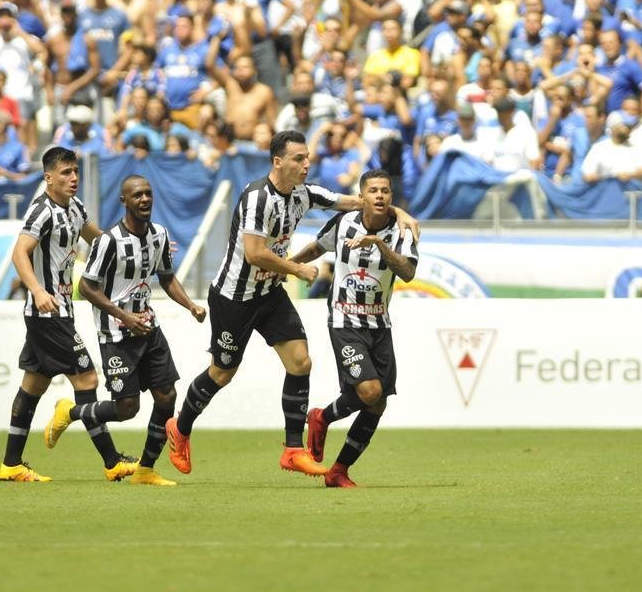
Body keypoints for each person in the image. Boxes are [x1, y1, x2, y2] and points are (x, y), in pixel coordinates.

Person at [164, 130, 418, 478]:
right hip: (234, 297)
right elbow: (254, 254)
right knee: (222, 373)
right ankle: (181, 427)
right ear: (277, 162)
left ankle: (293, 449)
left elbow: (360, 200)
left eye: (308, 157)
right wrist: (297, 268)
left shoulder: (304, 193)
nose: (306, 164)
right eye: (299, 158)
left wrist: (400, 212)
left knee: (300, 362)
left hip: (269, 294)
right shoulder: (256, 198)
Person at [44, 175, 207, 487]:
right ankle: (71, 410)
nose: (144, 199)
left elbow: (167, 278)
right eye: (137, 195)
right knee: (126, 409)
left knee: (166, 395)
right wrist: (122, 315)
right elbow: (86, 286)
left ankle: (145, 469)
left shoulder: (159, 234)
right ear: (124, 201)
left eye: (148, 194)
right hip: (117, 334)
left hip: (149, 328)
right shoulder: (109, 241)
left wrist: (191, 305)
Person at [0, 147, 136, 483]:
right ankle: (112, 461)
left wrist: (140, 246)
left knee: (33, 385)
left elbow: (100, 242)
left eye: (75, 172)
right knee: (87, 379)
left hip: (61, 310)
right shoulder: (41, 211)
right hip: (46, 313)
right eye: (65, 173)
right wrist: (38, 291)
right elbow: (19, 254)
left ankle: (11, 464)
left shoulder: (75, 208)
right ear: (48, 178)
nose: (73, 178)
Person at [292, 169, 419, 488]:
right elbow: (316, 249)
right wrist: (288, 267)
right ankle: (321, 418)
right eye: (373, 190)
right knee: (370, 391)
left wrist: (378, 243)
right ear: (362, 196)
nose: (379, 196)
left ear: (391, 198)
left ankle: (338, 470)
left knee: (377, 403)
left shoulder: (404, 230)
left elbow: (407, 273)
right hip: (344, 320)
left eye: (385, 191)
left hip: (379, 323)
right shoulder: (343, 222)